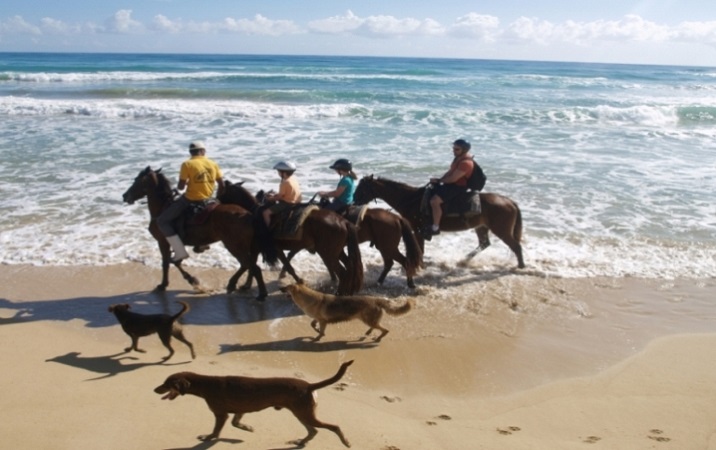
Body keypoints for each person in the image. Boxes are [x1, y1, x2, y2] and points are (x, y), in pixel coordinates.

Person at [157, 140, 224, 262]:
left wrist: (187, 183)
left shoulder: (187, 164)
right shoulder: (212, 163)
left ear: (191, 152)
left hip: (191, 199)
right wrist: (216, 198)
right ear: (203, 151)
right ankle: (201, 242)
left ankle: (180, 251)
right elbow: (221, 184)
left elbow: (181, 187)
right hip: (209, 199)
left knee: (162, 221)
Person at [428, 139, 475, 236]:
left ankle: (435, 227)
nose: (454, 151)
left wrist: (440, 181)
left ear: (464, 150)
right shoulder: (458, 158)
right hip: (452, 184)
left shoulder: (465, 163)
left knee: (434, 201)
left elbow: (453, 179)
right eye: (453, 148)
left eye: (457, 149)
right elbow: (450, 172)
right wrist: (439, 179)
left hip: (458, 187)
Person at [262, 160, 302, 228]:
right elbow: (286, 193)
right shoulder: (293, 179)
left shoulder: (284, 182)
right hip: (297, 202)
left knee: (265, 213)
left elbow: (279, 197)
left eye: (279, 171)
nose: (278, 173)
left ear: (284, 173)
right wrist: (275, 195)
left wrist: (270, 198)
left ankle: (267, 231)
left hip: (287, 204)